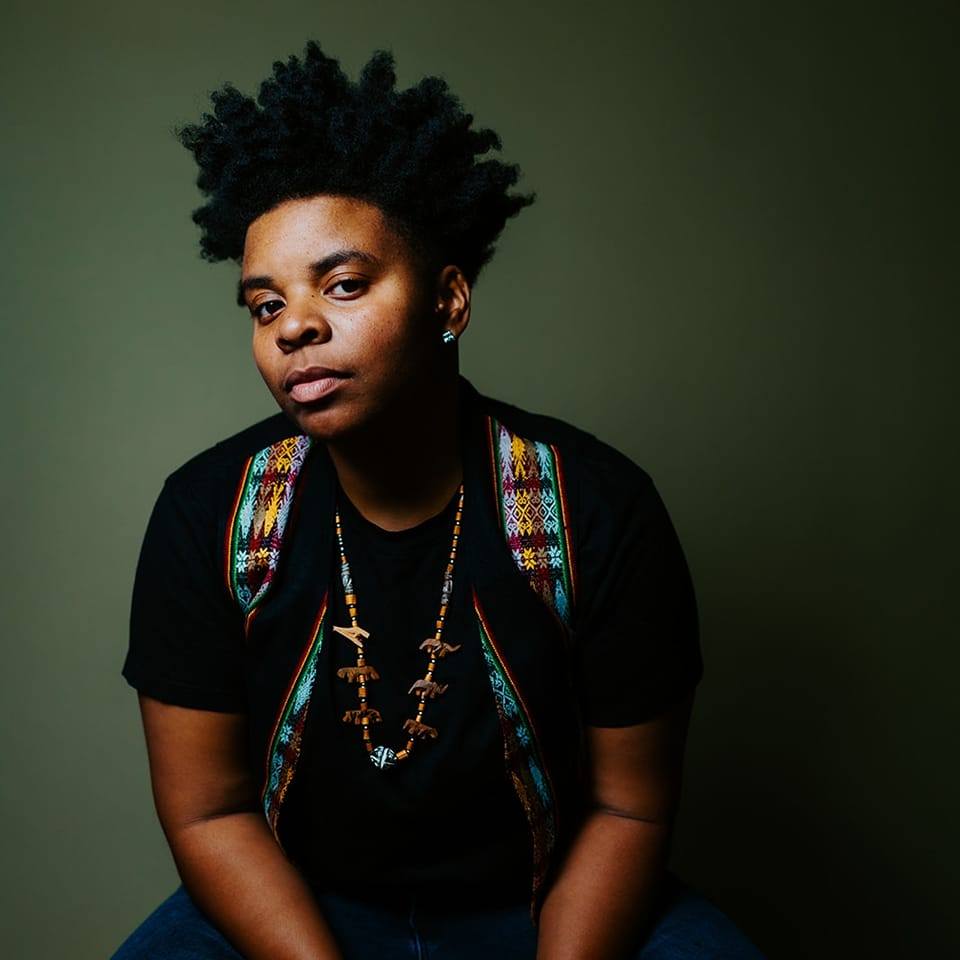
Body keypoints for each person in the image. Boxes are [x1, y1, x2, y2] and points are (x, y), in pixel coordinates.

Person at [112, 39, 765, 960]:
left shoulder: (594, 506)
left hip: (552, 900)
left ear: (449, 300)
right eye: (265, 305)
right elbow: (209, 811)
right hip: (299, 907)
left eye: (343, 284)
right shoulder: (209, 513)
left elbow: (629, 808)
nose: (296, 326)